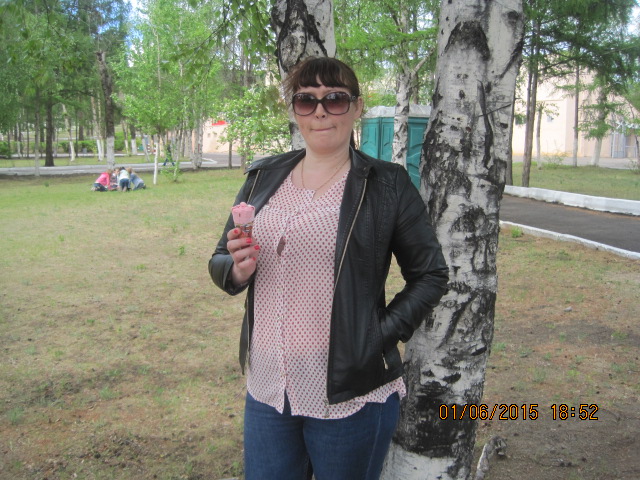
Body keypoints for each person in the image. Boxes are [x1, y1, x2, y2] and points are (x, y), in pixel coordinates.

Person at [208, 57, 449, 480]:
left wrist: (376, 336)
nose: (320, 111)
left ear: (357, 107)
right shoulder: (263, 177)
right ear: (295, 111)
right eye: (307, 100)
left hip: (349, 391)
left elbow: (430, 274)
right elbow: (221, 258)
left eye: (335, 99)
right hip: (269, 389)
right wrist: (237, 270)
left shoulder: (387, 184)